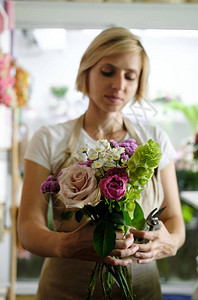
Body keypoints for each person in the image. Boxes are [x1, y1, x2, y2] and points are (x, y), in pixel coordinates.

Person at [17, 27, 185, 300]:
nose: (119, 84)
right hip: (65, 290)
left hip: (141, 291)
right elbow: (27, 228)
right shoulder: (48, 139)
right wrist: (67, 244)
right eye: (108, 71)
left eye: (130, 76)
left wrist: (171, 242)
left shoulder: (154, 140)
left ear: (139, 82)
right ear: (87, 71)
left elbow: (174, 220)